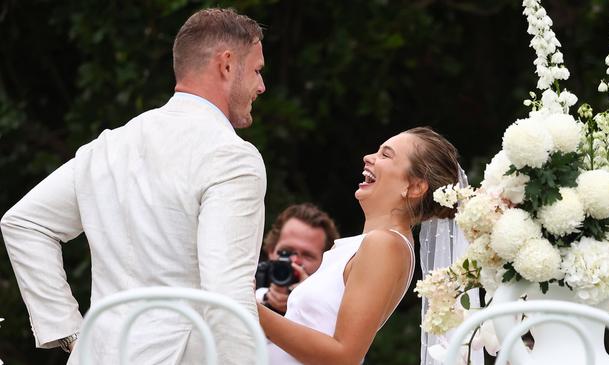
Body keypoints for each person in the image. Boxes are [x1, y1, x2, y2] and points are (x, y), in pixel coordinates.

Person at [1, 8, 266, 365]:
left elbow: (24, 223)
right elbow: (227, 291)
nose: (261, 86)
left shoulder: (109, 146)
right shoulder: (232, 157)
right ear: (227, 64)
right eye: (257, 70)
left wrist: (71, 334)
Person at [258, 126, 461, 364]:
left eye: (386, 155)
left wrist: (250, 308)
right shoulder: (362, 245)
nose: (368, 157)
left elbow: (345, 356)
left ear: (415, 187)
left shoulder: (385, 245)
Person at [255, 203, 340, 314]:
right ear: (271, 250)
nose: (294, 260)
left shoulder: (334, 299)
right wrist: (264, 297)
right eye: (286, 252)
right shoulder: (250, 277)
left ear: (326, 261)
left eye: (307, 255)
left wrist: (310, 300)